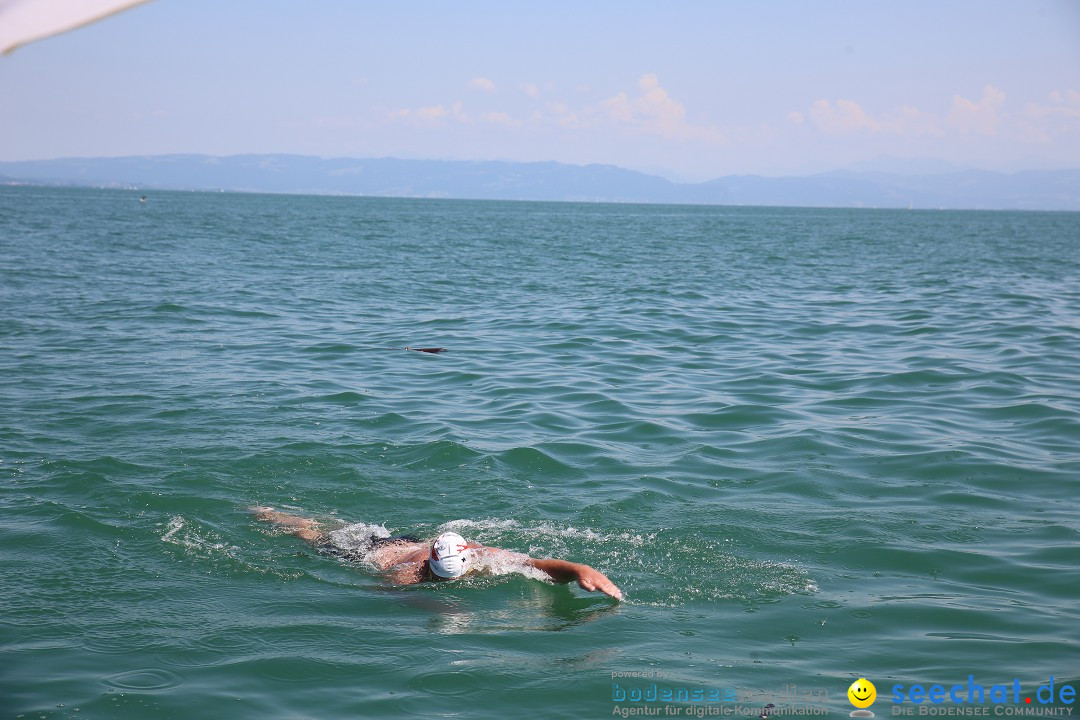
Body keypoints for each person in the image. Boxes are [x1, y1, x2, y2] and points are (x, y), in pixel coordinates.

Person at [253, 507, 622, 600]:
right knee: (313, 539)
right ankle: (272, 516)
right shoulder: (407, 574)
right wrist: (440, 608)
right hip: (375, 550)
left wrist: (579, 569)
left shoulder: (481, 555)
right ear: (429, 564)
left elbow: (534, 564)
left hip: (411, 540)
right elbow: (391, 595)